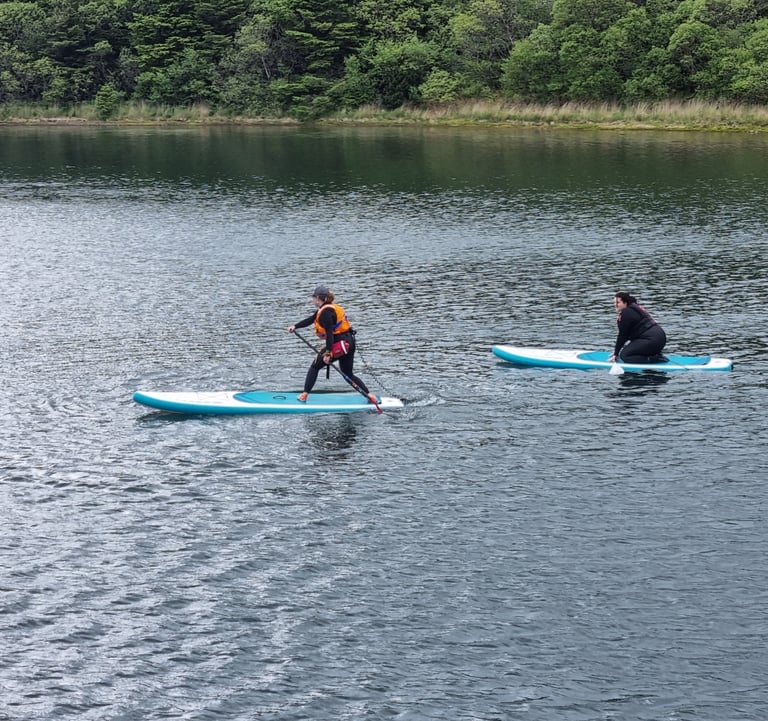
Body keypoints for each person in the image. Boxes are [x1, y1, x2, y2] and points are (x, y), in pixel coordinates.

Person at [287, 285, 378, 404]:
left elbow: (330, 335)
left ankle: (304, 394)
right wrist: (296, 326)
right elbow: (311, 319)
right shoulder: (328, 308)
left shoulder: (326, 313)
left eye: (313, 297)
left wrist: (328, 353)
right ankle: (370, 396)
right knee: (348, 373)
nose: (312, 299)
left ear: (319, 298)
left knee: (315, 366)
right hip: (349, 342)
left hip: (339, 344)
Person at [609, 292, 668, 363]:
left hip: (652, 340)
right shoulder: (634, 307)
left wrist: (616, 353)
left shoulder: (626, 313)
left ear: (625, 303)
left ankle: (654, 359)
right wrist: (618, 350)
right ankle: (654, 354)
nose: (615, 305)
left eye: (618, 302)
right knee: (627, 350)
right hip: (660, 338)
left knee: (624, 355)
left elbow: (622, 336)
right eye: (614, 302)